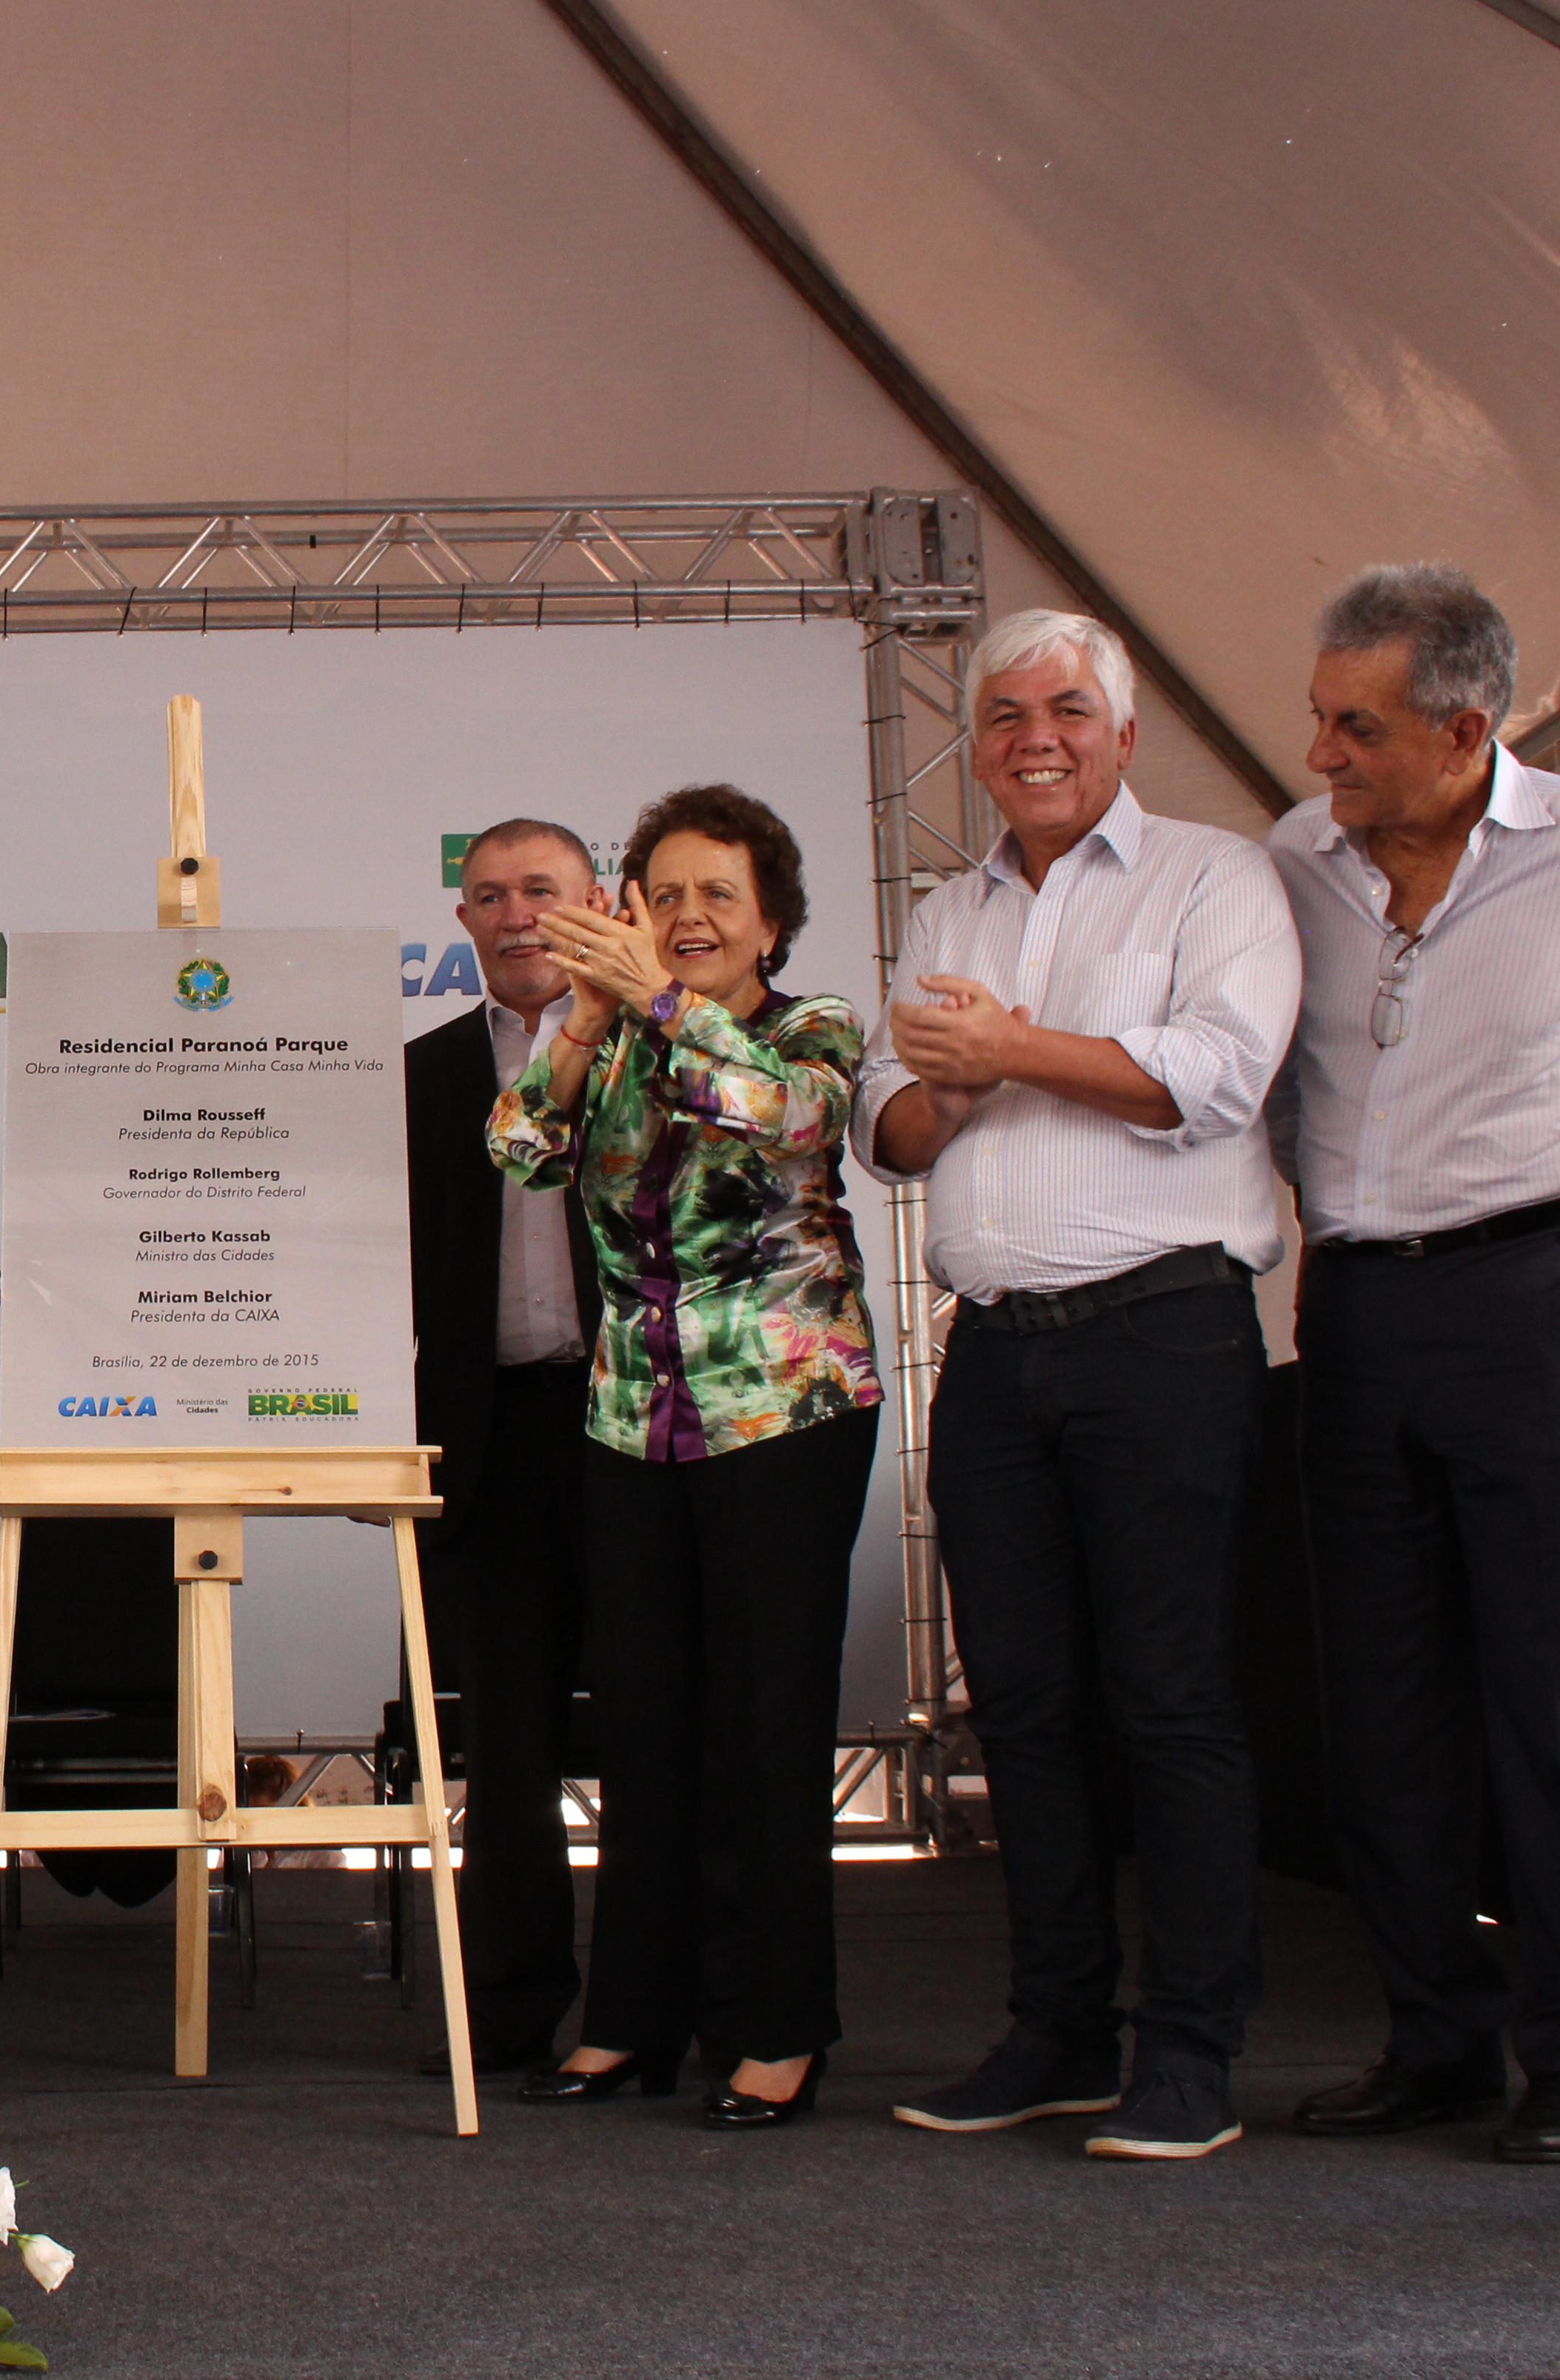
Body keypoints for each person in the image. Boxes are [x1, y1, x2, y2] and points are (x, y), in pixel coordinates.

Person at [1268, 566, 1560, 2165]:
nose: (1323, 752)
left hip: (1543, 1293)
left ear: (1469, 731)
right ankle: (1435, 2040)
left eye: (1359, 726)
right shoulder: (1293, 861)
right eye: (1321, 716)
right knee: (1382, 1703)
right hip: (1357, 1313)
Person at [858, 608, 1299, 2163]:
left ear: (1122, 733)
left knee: (1171, 1703)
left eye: (1064, 707)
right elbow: (890, 1130)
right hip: (995, 1359)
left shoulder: (1216, 876)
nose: (1031, 735)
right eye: (999, 714)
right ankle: (1056, 2030)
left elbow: (1216, 1077)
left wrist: (1008, 1049)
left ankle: (1189, 2052)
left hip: (1164, 1338)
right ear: (972, 745)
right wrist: (969, 1076)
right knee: (1024, 1713)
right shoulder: (941, 912)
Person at [492, 785, 882, 2127]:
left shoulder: (807, 1029)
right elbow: (517, 1150)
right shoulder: (606, 1042)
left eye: (717, 894)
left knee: (764, 1727)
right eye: (660, 894)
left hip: (782, 1415)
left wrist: (656, 1005)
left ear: (769, 920)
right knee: (644, 1726)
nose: (686, 916)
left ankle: (774, 2027)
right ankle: (631, 2020)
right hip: (628, 1423)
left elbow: (784, 1120)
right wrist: (586, 1021)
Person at [401, 819, 609, 2078]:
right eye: (485, 895)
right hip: (483, 1441)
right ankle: (510, 2013)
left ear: (593, 901)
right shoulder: (418, 1073)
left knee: (654, 1723)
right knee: (506, 1747)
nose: (512, 912)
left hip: (635, 1428)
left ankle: (654, 2002)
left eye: (539, 888)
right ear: (463, 919)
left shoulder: (651, 1050)